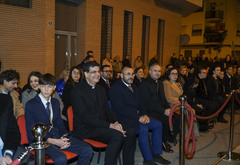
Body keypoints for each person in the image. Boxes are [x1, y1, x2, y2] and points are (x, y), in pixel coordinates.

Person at [71, 61, 136, 165]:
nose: (97, 74)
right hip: (86, 128)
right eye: (93, 72)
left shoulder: (101, 89)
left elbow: (107, 110)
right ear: (86, 74)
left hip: (102, 125)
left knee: (131, 132)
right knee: (117, 136)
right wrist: (110, 125)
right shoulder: (77, 91)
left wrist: (116, 123)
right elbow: (86, 117)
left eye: (98, 71)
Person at [25, 73, 92, 165]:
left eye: (49, 86)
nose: (46, 89)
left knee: (87, 149)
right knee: (61, 158)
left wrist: (64, 137)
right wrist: (52, 141)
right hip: (42, 141)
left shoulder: (55, 102)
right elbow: (31, 134)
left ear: (54, 88)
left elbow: (59, 123)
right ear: (39, 87)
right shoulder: (31, 105)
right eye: (43, 86)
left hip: (58, 136)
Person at [109, 66, 171, 165]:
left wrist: (144, 114)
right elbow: (120, 109)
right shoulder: (115, 88)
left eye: (132, 74)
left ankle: (156, 154)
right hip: (124, 119)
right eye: (128, 74)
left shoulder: (134, 86)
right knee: (143, 130)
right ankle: (148, 160)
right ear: (121, 75)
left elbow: (140, 103)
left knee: (158, 124)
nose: (131, 76)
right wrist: (138, 118)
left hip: (138, 116)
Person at [138, 63, 179, 152]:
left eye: (159, 71)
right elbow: (148, 104)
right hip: (148, 111)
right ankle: (161, 142)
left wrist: (169, 109)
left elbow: (163, 99)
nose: (157, 73)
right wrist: (164, 111)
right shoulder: (144, 84)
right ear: (150, 72)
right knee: (165, 119)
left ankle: (169, 138)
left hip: (159, 109)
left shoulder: (160, 83)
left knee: (177, 117)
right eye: (155, 71)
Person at [0, 93, 21, 164]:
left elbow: (13, 130)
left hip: (6, 146)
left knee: (29, 161)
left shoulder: (5, 100)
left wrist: (8, 154)